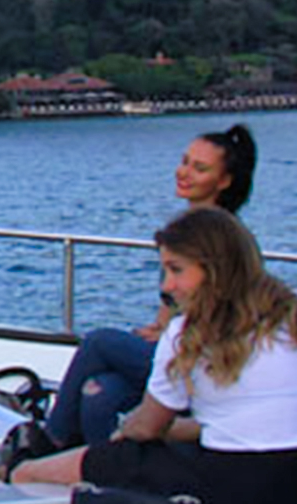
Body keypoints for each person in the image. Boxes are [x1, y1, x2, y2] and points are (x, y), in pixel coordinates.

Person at [12, 207, 297, 504]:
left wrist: (123, 432)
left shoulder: (184, 333)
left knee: (122, 457)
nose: (167, 286)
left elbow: (146, 428)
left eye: (176, 270)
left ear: (216, 269)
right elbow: (254, 425)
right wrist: (177, 430)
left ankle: (24, 472)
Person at [37, 124, 258, 451]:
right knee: (99, 392)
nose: (183, 173)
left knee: (98, 342)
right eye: (184, 162)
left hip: (202, 359)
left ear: (224, 181)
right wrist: (160, 327)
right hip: (174, 346)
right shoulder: (185, 231)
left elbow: (223, 316)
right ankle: (103, 472)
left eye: (199, 168)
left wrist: (170, 334)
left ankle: (48, 442)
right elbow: (172, 301)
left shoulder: (222, 240)